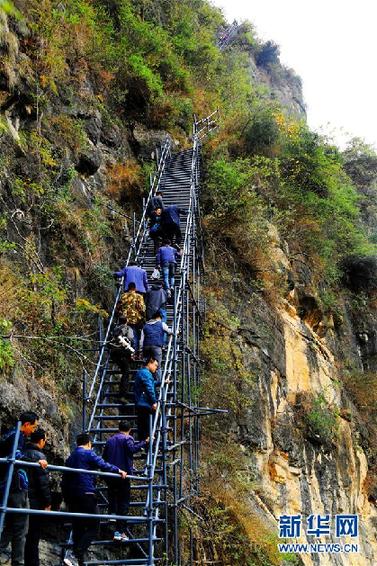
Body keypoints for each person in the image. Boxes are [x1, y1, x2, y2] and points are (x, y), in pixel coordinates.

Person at [62, 433, 127, 566]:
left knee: (78, 527)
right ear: (89, 443)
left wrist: (66, 496)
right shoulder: (87, 453)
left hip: (72, 496)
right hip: (86, 492)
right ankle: (75, 555)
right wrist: (118, 470)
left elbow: (65, 478)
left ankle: (76, 560)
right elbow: (103, 464)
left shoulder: (71, 457)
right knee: (94, 526)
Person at [0, 411, 47, 566]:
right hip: (14, 486)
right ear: (26, 425)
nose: (33, 430)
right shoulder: (17, 436)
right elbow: (16, 455)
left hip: (7, 485)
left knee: (7, 523)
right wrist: (36, 461)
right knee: (21, 526)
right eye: (33, 427)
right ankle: (18, 562)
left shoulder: (9, 434)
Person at [103, 422, 148, 542]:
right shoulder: (127, 438)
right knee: (123, 504)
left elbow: (104, 457)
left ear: (118, 429)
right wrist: (145, 442)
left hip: (110, 473)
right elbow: (132, 449)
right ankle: (119, 532)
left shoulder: (110, 440)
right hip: (123, 476)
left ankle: (112, 514)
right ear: (130, 429)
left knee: (113, 496)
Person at [23, 429, 51, 566]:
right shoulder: (39, 456)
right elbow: (43, 483)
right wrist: (47, 503)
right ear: (41, 441)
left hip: (21, 497)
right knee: (33, 536)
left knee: (19, 533)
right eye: (45, 440)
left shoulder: (22, 452)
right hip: (34, 502)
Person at [141, 311, 173, 380]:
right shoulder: (161, 324)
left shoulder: (145, 326)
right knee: (157, 366)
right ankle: (158, 386)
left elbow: (141, 340)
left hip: (146, 347)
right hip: (156, 347)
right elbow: (170, 331)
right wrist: (177, 332)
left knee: (146, 366)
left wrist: (140, 350)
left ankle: (145, 383)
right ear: (158, 317)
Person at [108, 317, 135, 397]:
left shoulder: (115, 329)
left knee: (124, 369)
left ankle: (122, 392)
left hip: (114, 353)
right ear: (126, 322)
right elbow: (131, 339)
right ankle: (122, 394)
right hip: (122, 352)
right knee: (126, 372)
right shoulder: (127, 328)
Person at [134, 357, 159, 441]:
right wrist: (154, 402)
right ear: (149, 363)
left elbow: (151, 383)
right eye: (155, 365)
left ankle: (143, 446)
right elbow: (149, 388)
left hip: (140, 402)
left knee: (142, 425)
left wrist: (161, 382)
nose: (156, 368)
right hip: (145, 403)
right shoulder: (146, 373)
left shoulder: (142, 372)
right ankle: (149, 447)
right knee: (148, 426)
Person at [118, 282, 146, 356]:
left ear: (128, 288)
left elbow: (119, 307)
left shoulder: (123, 296)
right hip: (135, 319)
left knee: (124, 336)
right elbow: (142, 309)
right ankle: (134, 353)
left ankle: (126, 353)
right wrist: (144, 317)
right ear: (135, 288)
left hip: (124, 320)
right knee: (135, 336)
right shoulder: (138, 296)